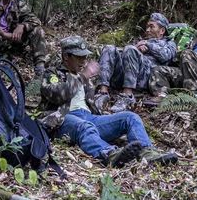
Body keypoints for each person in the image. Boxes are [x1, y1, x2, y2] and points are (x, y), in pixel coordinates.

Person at [39, 36, 177, 166]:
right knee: (85, 126)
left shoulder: (84, 78)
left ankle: (147, 153)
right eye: (79, 57)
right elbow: (57, 95)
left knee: (130, 117)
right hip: (63, 120)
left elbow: (92, 104)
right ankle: (110, 154)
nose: (83, 61)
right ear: (66, 56)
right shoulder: (52, 74)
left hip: (89, 117)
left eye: (85, 57)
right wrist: (83, 76)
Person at [97, 13, 176, 112]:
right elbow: (127, 53)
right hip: (125, 76)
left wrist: (148, 46)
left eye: (151, 27)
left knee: (130, 49)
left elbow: (166, 56)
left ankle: (127, 96)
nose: (147, 30)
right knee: (109, 48)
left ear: (162, 30)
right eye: (147, 27)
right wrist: (137, 47)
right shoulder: (141, 41)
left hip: (145, 79)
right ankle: (102, 93)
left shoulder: (169, 44)